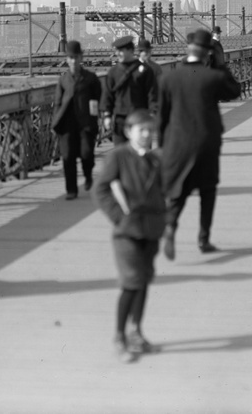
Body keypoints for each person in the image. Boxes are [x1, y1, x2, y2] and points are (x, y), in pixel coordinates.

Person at [159, 29, 242, 257]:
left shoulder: (169, 78)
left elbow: (162, 117)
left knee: (179, 191)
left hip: (177, 144)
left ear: (187, 50)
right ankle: (203, 239)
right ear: (207, 54)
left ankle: (170, 225)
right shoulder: (212, 77)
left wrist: (161, 146)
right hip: (207, 143)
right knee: (207, 191)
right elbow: (235, 90)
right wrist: (221, 64)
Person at [93, 109, 167, 363]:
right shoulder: (118, 156)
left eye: (150, 130)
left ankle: (136, 332)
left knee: (144, 280)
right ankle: (119, 337)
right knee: (131, 282)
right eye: (141, 130)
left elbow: (164, 190)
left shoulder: (156, 158)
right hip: (127, 232)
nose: (147, 134)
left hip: (151, 229)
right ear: (129, 132)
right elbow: (100, 189)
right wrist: (119, 217)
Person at [51, 40, 102, 200]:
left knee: (87, 154)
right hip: (67, 124)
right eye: (70, 57)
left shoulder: (91, 78)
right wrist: (55, 122)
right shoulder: (63, 79)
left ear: (81, 58)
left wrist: (95, 119)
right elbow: (58, 103)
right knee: (68, 157)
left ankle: (88, 175)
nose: (73, 60)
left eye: (76, 57)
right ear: (67, 59)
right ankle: (71, 190)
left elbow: (97, 99)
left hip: (85, 123)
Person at [101, 36, 158, 145]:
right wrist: (107, 115)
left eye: (121, 51)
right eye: (117, 51)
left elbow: (152, 94)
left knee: (141, 154)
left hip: (140, 118)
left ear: (130, 51)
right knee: (121, 154)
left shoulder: (145, 70)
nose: (117, 54)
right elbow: (107, 95)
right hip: (120, 120)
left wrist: (153, 113)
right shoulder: (113, 72)